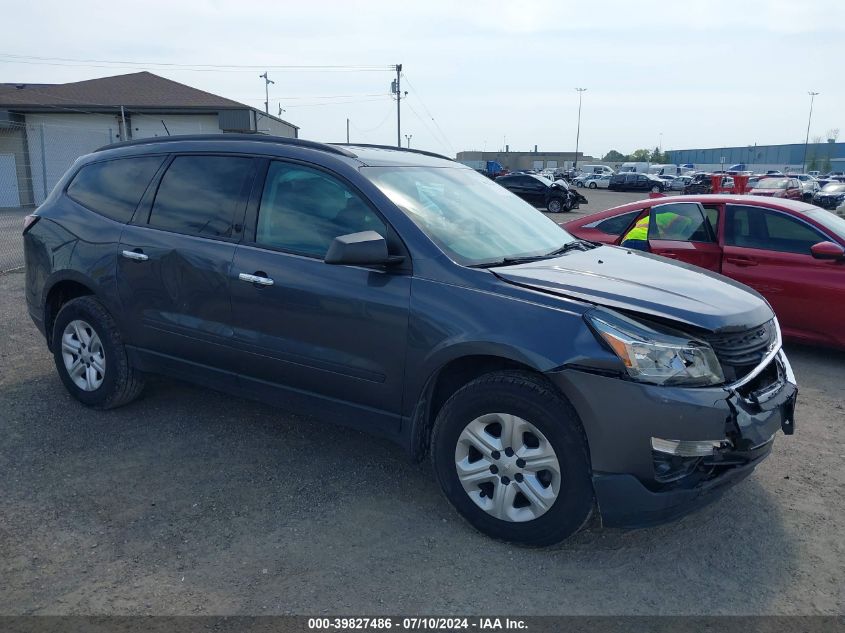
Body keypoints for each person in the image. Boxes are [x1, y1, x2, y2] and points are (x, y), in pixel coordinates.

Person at [621, 208, 693, 251]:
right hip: (644, 241)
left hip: (629, 239)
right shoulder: (683, 219)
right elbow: (676, 235)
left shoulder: (651, 217)